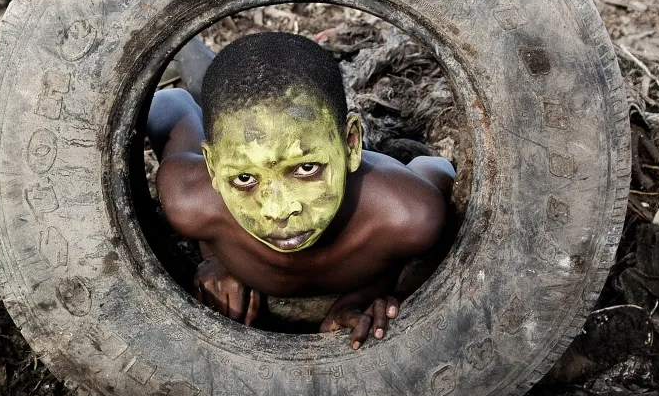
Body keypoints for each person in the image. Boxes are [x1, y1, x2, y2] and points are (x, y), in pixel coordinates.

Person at [147, 32, 454, 349]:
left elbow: (437, 166)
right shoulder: (190, 199)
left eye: (306, 169)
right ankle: (189, 49)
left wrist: (371, 290)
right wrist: (218, 256)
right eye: (244, 179)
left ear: (350, 145)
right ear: (212, 167)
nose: (278, 210)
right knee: (204, 92)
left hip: (359, 162)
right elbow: (171, 103)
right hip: (261, 137)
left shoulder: (406, 214)